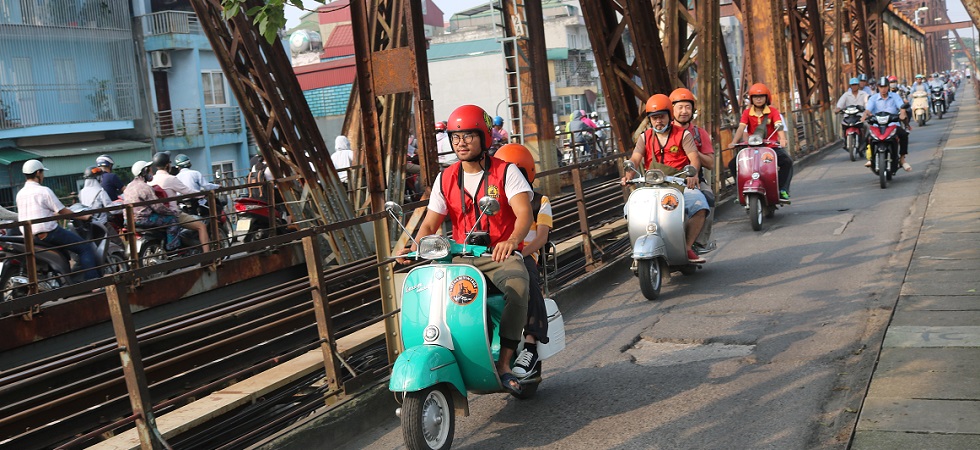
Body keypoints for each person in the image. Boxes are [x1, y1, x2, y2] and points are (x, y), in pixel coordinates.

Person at [395, 104, 532, 395]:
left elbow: (524, 215)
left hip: (497, 254)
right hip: (459, 255)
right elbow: (431, 223)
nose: (461, 143)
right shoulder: (445, 178)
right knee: (423, 289)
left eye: (469, 136)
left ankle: (505, 363)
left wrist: (511, 240)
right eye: (455, 137)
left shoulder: (506, 172)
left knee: (518, 285)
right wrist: (416, 246)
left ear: (484, 138)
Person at [622, 94, 708, 264]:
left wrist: (692, 174)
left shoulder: (683, 135)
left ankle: (687, 246)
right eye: (654, 118)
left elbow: (694, 159)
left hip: (679, 184)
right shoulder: (644, 137)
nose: (658, 121)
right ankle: (641, 244)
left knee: (700, 205)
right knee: (629, 210)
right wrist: (629, 174)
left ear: (669, 115)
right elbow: (635, 158)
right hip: (652, 186)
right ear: (649, 120)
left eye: (661, 116)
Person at [494, 143, 550, 377]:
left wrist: (518, 252)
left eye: (516, 173)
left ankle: (530, 344)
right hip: (494, 256)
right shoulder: (496, 201)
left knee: (528, 282)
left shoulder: (540, 201)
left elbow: (541, 238)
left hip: (524, 255)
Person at [16, 159, 98, 280]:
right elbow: (62, 211)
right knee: (84, 247)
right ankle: (93, 282)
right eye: (42, 173)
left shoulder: (20, 194)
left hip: (29, 236)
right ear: (38, 173)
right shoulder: (44, 191)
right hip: (48, 233)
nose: (43, 175)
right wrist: (84, 216)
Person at [727, 82, 794, 200]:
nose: (758, 99)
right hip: (753, 147)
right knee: (733, 164)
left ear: (766, 98)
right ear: (751, 99)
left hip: (771, 147)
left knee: (787, 162)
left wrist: (782, 139)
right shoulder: (747, 113)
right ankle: (741, 189)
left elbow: (779, 126)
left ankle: (783, 189)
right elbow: (741, 127)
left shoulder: (773, 111)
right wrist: (734, 141)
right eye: (755, 97)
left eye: (761, 96)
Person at [670, 87, 716, 253]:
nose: (684, 111)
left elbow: (710, 163)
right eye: (680, 107)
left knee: (708, 198)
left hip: (694, 180)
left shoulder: (699, 133)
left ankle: (699, 242)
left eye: (687, 107)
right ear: (671, 109)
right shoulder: (664, 132)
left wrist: (695, 153)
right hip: (668, 179)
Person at [147, 152, 210, 251]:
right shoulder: (171, 179)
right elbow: (188, 192)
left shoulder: (151, 180)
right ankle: (208, 257)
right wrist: (204, 193)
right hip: (172, 214)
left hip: (158, 215)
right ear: (168, 165)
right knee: (201, 226)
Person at [123, 161, 181, 251]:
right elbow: (158, 207)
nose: (152, 173)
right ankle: (173, 249)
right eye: (150, 170)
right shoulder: (145, 187)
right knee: (173, 220)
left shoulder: (129, 186)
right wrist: (171, 212)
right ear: (145, 171)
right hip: (143, 219)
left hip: (128, 220)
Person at [863, 76, 911, 172]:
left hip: (892, 124)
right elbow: (868, 109)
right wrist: (865, 115)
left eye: (885, 86)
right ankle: (870, 158)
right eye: (881, 87)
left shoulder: (895, 96)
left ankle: (902, 159)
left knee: (904, 135)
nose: (883, 89)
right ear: (878, 87)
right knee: (867, 137)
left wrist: (902, 113)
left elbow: (901, 106)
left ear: (888, 87)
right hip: (877, 125)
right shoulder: (873, 98)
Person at [835, 77, 870, 148]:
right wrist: (838, 108)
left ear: (858, 85)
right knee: (843, 125)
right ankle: (844, 140)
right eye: (852, 85)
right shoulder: (846, 94)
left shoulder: (863, 94)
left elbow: (867, 103)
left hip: (860, 116)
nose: (854, 86)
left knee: (867, 126)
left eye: (855, 85)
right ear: (850, 86)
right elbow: (840, 103)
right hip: (848, 116)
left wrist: (867, 110)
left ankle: (865, 140)